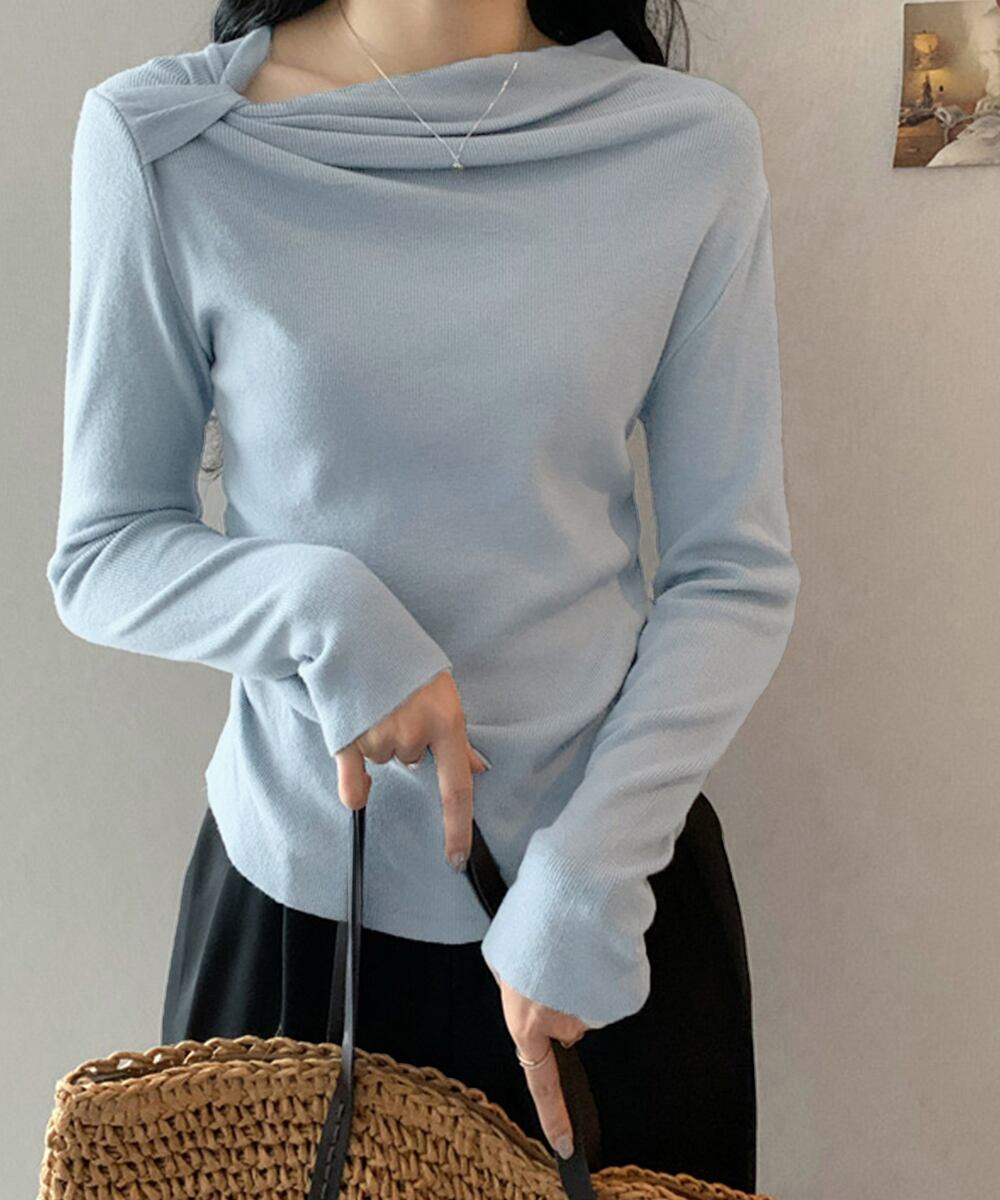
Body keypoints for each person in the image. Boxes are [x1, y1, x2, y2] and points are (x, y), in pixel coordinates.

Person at [46, 2, 801, 1193]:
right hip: (298, 925)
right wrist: (325, 610)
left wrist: (587, 878)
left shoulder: (683, 146)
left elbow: (733, 571)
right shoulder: (170, 142)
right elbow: (104, 550)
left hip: (597, 910)